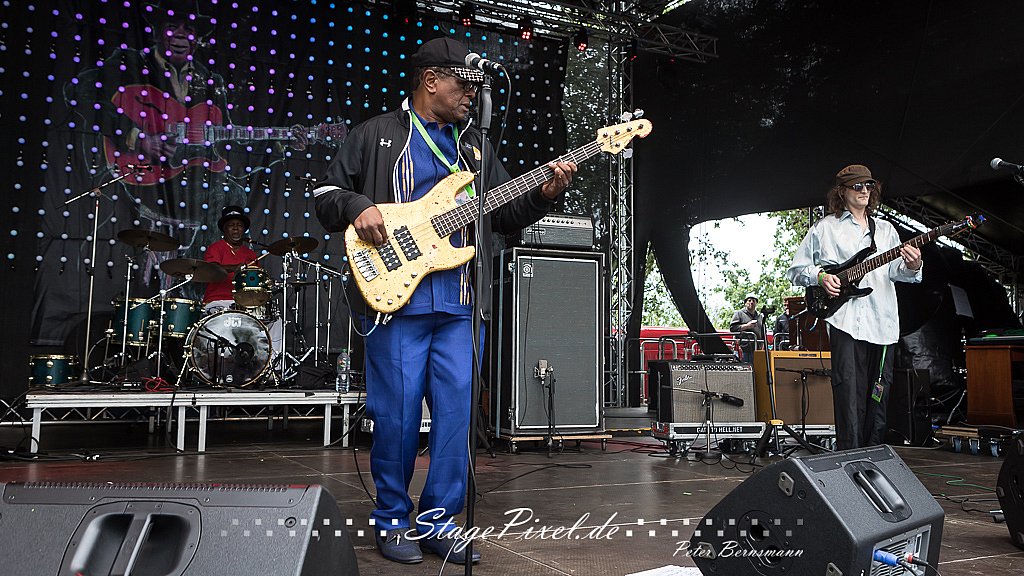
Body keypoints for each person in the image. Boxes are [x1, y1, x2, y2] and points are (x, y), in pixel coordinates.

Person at [313, 37, 576, 565]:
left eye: (476, 87)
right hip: (396, 303)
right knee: (397, 418)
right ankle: (392, 519)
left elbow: (504, 213)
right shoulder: (376, 134)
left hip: (460, 306)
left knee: (457, 420)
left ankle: (439, 522)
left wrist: (546, 193)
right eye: (464, 84)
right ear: (431, 80)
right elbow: (324, 196)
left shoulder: (474, 146)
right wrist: (358, 204)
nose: (471, 95)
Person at [786, 164, 922, 450]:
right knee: (848, 392)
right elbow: (796, 270)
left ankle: (873, 455)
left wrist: (913, 265)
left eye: (868, 185)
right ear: (842, 192)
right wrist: (821, 277)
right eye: (857, 186)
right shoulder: (826, 228)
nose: (864, 191)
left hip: (883, 324)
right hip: (846, 320)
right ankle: (849, 455)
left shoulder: (885, 230)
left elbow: (898, 272)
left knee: (879, 394)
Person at [202, 206, 260, 312]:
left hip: (245, 303)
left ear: (244, 230)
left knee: (273, 319)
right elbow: (211, 269)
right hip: (218, 300)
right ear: (224, 229)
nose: (235, 228)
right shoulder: (215, 248)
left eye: (239, 225)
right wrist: (234, 268)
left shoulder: (250, 254)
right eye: (231, 225)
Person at [729, 293, 763, 362]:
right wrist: (747, 326)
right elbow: (733, 328)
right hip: (743, 348)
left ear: (756, 303)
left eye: (753, 301)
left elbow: (762, 331)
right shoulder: (739, 314)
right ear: (745, 303)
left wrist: (762, 344)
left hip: (757, 349)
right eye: (749, 300)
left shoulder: (760, 317)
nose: (751, 302)